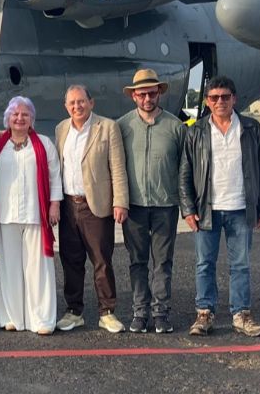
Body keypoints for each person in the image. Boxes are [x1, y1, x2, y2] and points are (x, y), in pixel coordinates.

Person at [180, 76, 260, 337]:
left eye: (225, 97)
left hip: (241, 208)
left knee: (240, 264)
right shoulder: (195, 131)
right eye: (214, 97)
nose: (220, 102)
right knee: (204, 263)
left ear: (234, 99)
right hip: (207, 208)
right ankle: (204, 314)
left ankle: (241, 314)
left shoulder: (251, 129)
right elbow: (184, 172)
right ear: (207, 101)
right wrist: (187, 208)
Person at [115, 68, 187, 333]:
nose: (147, 98)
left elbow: (184, 167)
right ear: (134, 96)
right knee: (137, 261)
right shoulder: (122, 126)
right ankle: (139, 311)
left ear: (159, 93)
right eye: (142, 94)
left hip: (165, 205)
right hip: (134, 205)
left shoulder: (175, 127)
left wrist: (184, 203)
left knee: (163, 261)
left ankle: (161, 312)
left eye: (152, 93)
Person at [54, 84, 128, 334]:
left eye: (81, 101)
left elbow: (117, 167)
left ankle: (107, 311)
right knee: (70, 260)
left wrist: (120, 202)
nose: (77, 106)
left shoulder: (107, 127)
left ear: (91, 102)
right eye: (72, 103)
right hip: (68, 205)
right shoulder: (61, 129)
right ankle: (74, 311)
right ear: (66, 107)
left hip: (94, 205)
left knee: (101, 260)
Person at [0, 96, 62, 335]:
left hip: (35, 213)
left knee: (38, 268)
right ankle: (12, 318)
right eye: (15, 114)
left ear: (32, 119)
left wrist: (54, 205)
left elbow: (54, 175)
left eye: (25, 114)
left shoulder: (43, 144)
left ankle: (42, 319)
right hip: (6, 215)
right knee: (9, 269)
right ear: (8, 118)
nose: (19, 118)